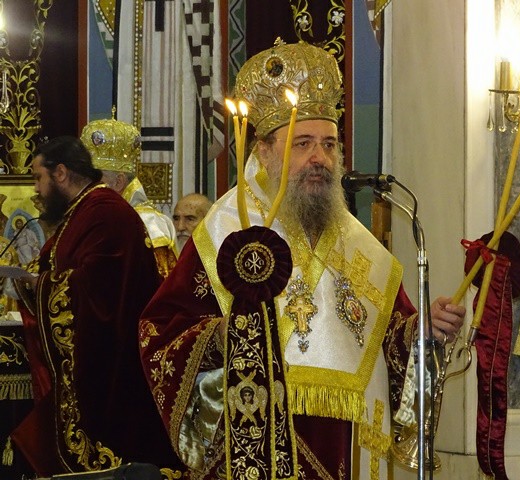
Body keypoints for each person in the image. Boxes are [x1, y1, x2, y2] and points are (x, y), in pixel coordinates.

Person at [139, 41, 465, 480]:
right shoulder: (225, 230)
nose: (320, 159)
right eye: (303, 144)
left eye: (329, 145)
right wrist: (230, 337)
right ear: (265, 150)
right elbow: (162, 331)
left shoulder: (356, 241)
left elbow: (388, 337)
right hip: (259, 440)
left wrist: (422, 330)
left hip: (347, 445)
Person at [10, 136, 183, 477]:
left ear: (61, 173)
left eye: (38, 178)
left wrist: (40, 284)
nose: (36, 189)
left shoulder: (105, 212)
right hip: (99, 356)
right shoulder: (84, 210)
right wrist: (33, 279)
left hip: (111, 364)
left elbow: (99, 288)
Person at [80, 118, 178, 278]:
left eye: (95, 181)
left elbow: (162, 281)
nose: (88, 189)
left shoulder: (150, 223)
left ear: (119, 182)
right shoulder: (95, 217)